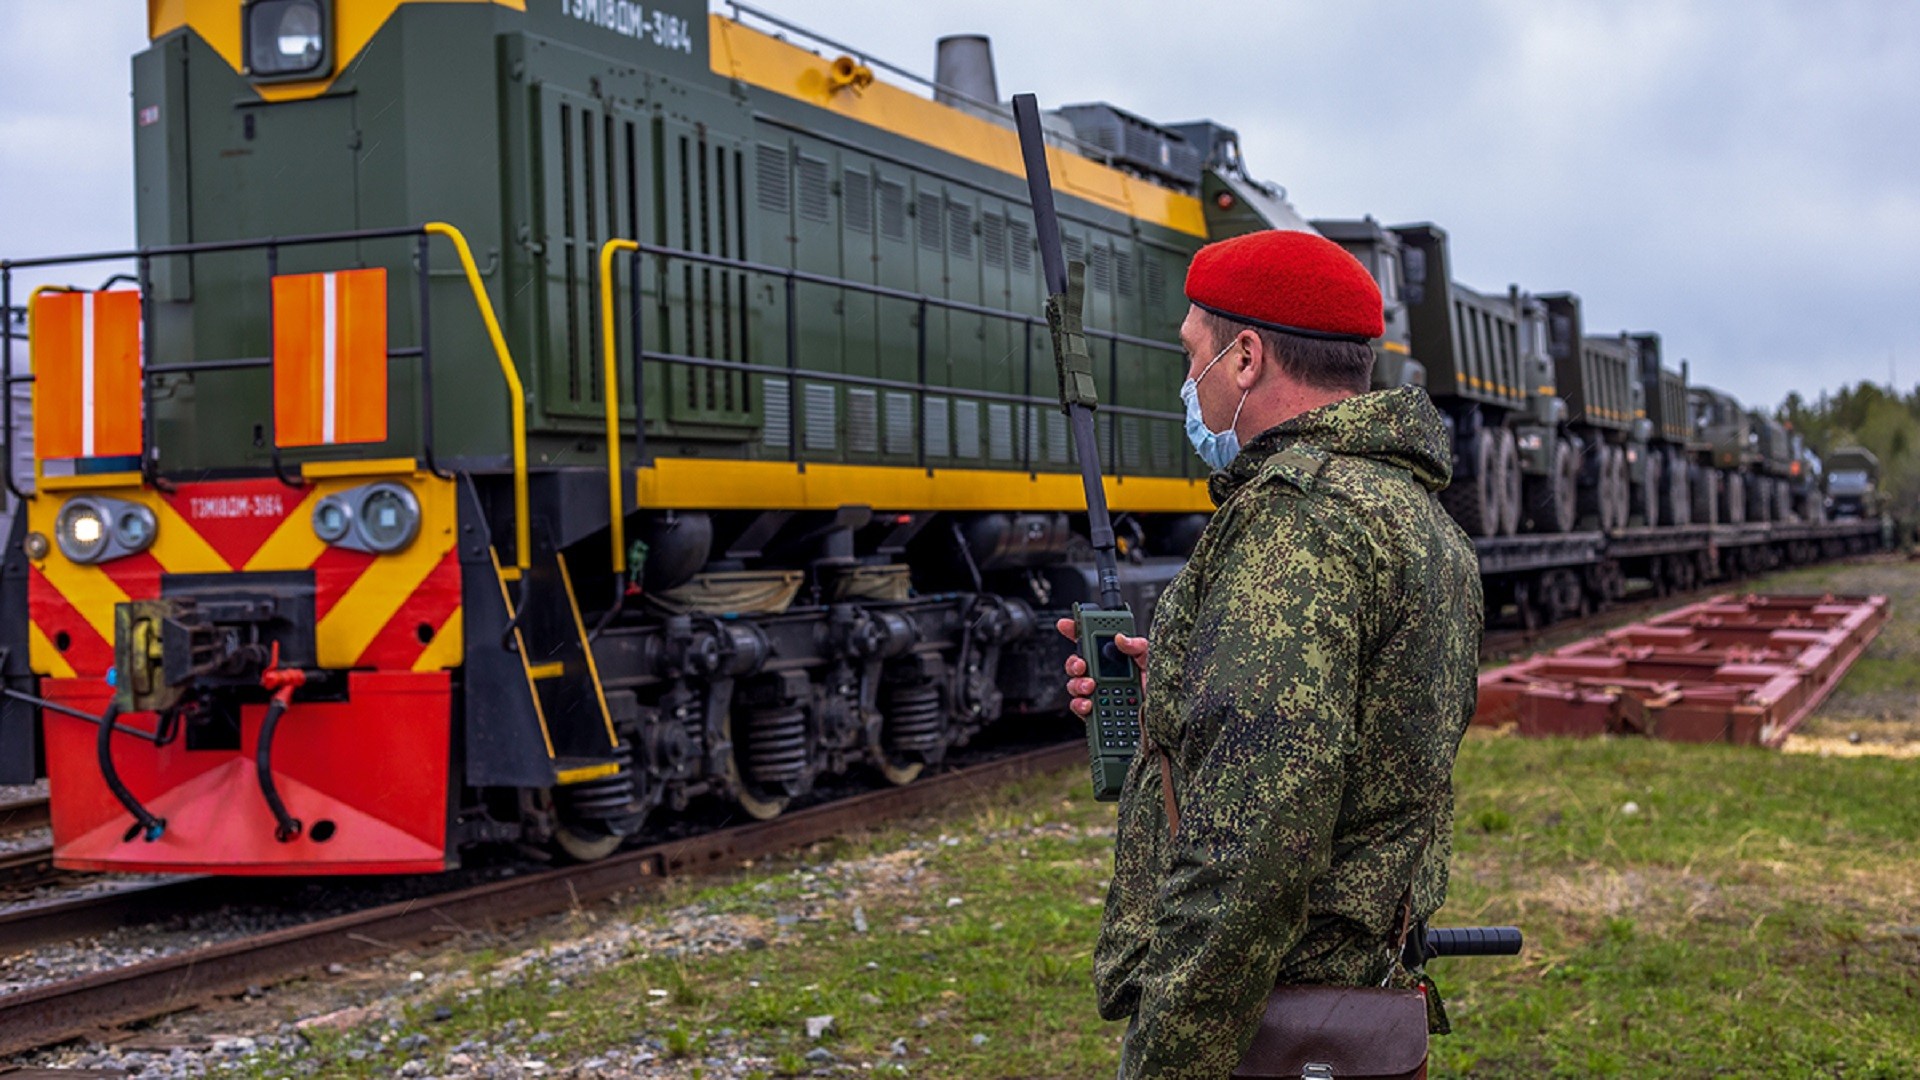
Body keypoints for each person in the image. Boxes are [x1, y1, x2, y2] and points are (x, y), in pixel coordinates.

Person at [1056, 228, 1483, 1078]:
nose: (1188, 383)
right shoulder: (1411, 514)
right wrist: (1178, 696)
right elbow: (1355, 747)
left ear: (1244, 358)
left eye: (1194, 356)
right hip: (1357, 1001)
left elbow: (1251, 848)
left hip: (1276, 1027)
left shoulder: (1298, 522)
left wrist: (1168, 1061)